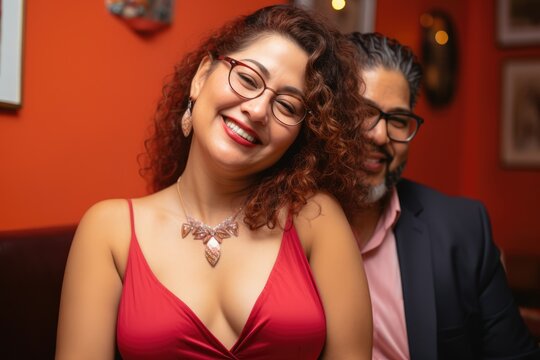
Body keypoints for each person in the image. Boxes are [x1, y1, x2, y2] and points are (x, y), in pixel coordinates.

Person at [56, 5, 373, 360]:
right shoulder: (109, 230)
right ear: (202, 76)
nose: (256, 110)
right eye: (249, 79)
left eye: (286, 105)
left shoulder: (317, 219)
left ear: (300, 135)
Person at [347, 32, 540, 359]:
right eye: (363, 112)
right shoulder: (279, 219)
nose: (379, 135)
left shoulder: (461, 229)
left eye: (397, 120)